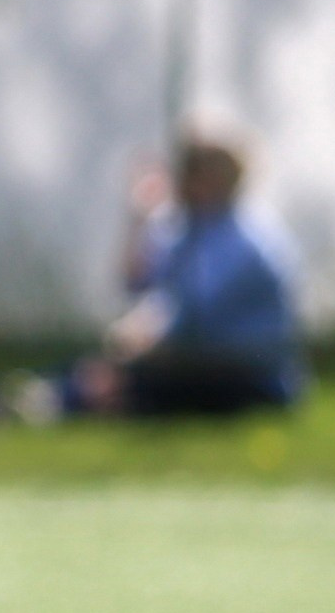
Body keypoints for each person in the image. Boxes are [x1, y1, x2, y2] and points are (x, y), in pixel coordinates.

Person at [69, 133, 303, 417]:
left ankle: (53, 402)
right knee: (91, 371)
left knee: (129, 383)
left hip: (252, 376)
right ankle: (42, 397)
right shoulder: (188, 229)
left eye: (189, 170)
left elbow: (195, 314)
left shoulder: (249, 238)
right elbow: (134, 282)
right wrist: (139, 216)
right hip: (203, 364)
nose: (179, 181)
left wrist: (138, 339)